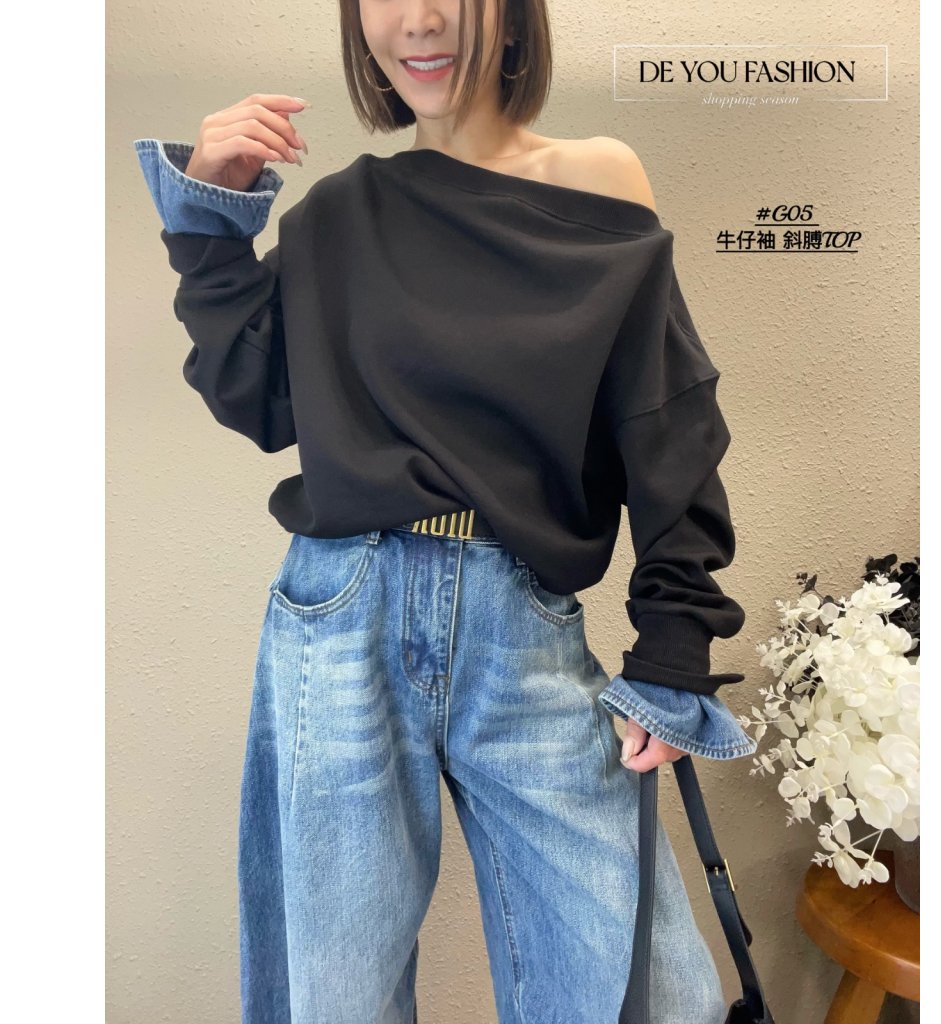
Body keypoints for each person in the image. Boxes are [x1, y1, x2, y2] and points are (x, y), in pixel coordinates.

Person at [132, 1, 757, 1020]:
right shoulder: (338, 213)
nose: (419, 20)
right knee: (335, 997)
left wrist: (674, 645)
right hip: (342, 613)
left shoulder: (600, 179)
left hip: (523, 623)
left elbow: (667, 419)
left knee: (651, 993)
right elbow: (258, 399)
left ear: (510, 17)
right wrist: (212, 219)